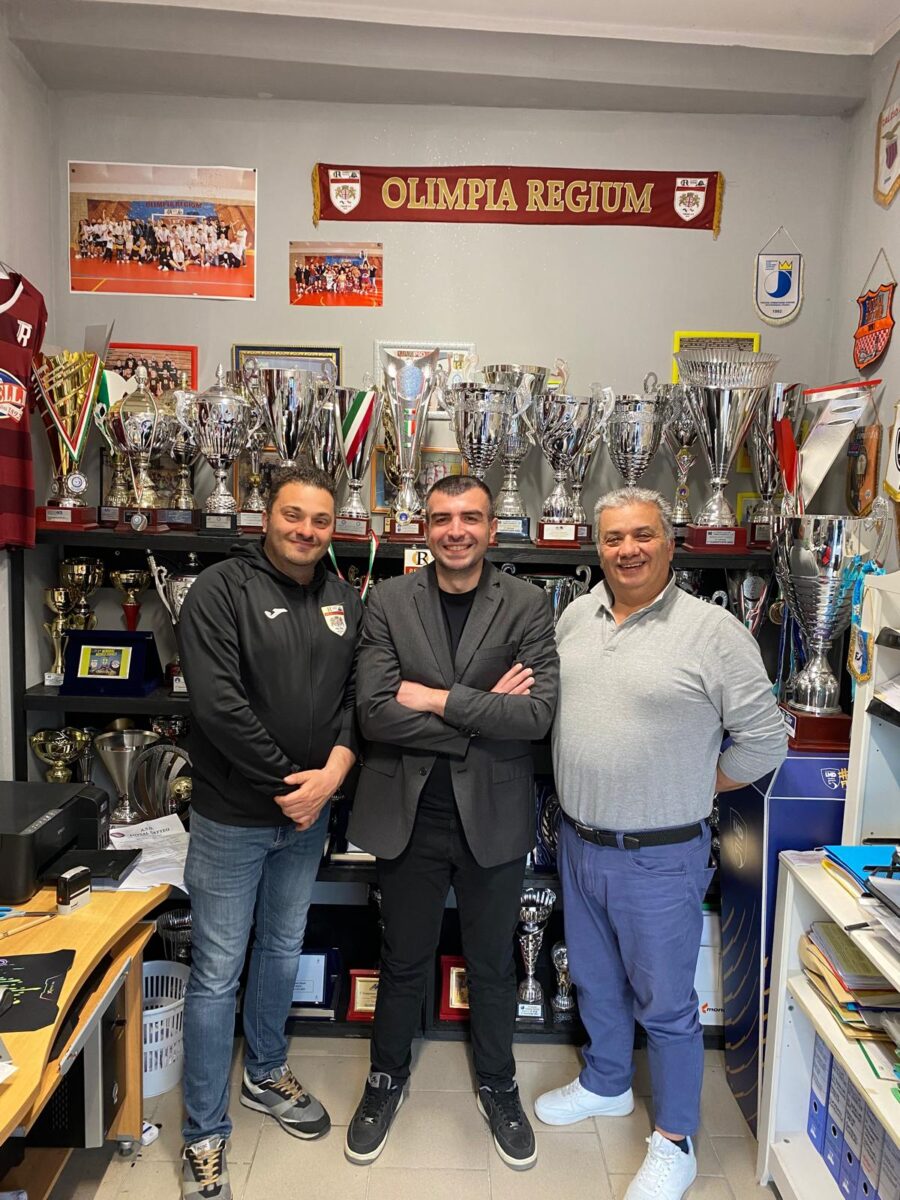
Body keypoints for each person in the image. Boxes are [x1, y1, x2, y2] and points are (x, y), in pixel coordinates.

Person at [535, 486, 787, 1200]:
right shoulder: (576, 616)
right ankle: (608, 1082)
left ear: (670, 544)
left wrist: (698, 784)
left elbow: (766, 741)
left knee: (667, 1005)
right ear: (598, 548)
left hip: (660, 854)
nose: (628, 550)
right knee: (594, 978)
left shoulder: (714, 632)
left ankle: (676, 1141)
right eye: (614, 538)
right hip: (578, 841)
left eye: (643, 535)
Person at [345, 475, 560, 1172]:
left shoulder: (527, 603)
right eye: (442, 518)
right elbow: (375, 713)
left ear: (492, 529)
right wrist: (480, 712)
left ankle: (499, 1085)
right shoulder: (387, 600)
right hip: (408, 814)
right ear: (425, 527)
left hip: (492, 816)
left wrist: (436, 699)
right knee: (402, 958)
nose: (456, 530)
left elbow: (535, 716)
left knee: (494, 963)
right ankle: (385, 1078)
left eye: (470, 518)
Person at [177, 465, 363, 1200]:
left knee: (283, 947)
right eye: (293, 515)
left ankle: (264, 1073)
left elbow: (355, 700)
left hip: (307, 818)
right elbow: (218, 707)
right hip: (234, 817)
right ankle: (203, 1133)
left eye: (320, 520)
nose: (306, 531)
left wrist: (331, 775)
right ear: (266, 515)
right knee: (217, 971)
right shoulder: (220, 590)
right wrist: (294, 786)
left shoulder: (343, 599)